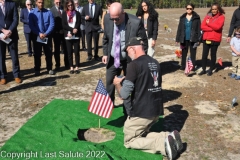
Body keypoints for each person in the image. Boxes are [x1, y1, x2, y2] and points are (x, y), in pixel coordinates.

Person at [113, 37, 183, 160]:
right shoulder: (155, 62)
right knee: (142, 134)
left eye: (127, 52)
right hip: (156, 110)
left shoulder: (133, 65)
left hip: (142, 112)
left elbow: (124, 94)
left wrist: (117, 83)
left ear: (132, 49)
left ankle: (163, 145)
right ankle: (167, 136)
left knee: (129, 140)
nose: (128, 56)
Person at [102, 2, 148, 112]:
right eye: (112, 19)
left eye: (117, 19)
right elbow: (106, 38)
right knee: (109, 82)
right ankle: (109, 106)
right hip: (113, 58)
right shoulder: (108, 18)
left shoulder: (135, 23)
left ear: (123, 13)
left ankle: (128, 110)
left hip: (129, 60)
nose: (114, 21)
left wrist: (139, 59)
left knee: (129, 84)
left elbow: (144, 43)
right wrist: (105, 53)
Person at [29, 0, 55, 76]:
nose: (41, 4)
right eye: (39, 2)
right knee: (37, 54)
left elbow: (52, 24)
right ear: (36, 3)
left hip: (47, 36)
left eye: (42, 2)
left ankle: (49, 68)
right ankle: (37, 69)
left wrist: (46, 33)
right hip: (37, 37)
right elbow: (31, 25)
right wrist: (39, 33)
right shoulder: (32, 13)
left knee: (49, 53)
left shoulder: (49, 12)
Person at [198, 3, 225, 76]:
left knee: (213, 55)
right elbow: (202, 26)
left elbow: (218, 27)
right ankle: (203, 69)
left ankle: (211, 69)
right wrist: (211, 29)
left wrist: (209, 24)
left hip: (215, 39)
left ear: (218, 9)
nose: (214, 11)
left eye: (215, 9)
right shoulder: (208, 16)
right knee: (204, 55)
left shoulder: (221, 17)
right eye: (212, 9)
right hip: (206, 38)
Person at [0, 0, 22, 84]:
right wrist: (3, 30)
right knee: (1, 56)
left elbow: (16, 19)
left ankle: (16, 75)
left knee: (14, 56)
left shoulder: (12, 4)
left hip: (11, 34)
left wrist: (9, 31)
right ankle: (3, 76)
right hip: (0, 35)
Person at [175, 3, 201, 71]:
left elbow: (199, 29)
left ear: (193, 9)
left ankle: (192, 66)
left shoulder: (196, 18)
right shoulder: (182, 18)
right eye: (187, 8)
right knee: (184, 53)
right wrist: (177, 39)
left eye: (190, 8)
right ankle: (183, 65)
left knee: (193, 53)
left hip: (193, 38)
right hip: (184, 38)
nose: (189, 10)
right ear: (186, 9)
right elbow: (179, 28)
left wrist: (199, 39)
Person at [62, 0, 81, 74]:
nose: (70, 6)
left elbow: (78, 23)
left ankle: (77, 66)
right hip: (68, 36)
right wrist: (72, 30)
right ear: (66, 6)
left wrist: (74, 31)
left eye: (71, 5)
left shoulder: (77, 13)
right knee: (69, 52)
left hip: (76, 36)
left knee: (76, 52)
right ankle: (71, 67)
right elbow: (64, 25)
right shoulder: (64, 14)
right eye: (68, 5)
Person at [50, 0, 69, 71]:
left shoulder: (64, 9)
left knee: (66, 48)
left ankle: (67, 64)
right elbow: (51, 22)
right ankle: (57, 64)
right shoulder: (51, 10)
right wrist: (57, 30)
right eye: (57, 2)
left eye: (59, 2)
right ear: (54, 2)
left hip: (64, 33)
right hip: (56, 33)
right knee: (57, 49)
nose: (58, 3)